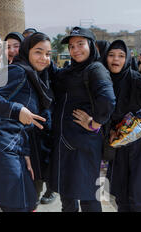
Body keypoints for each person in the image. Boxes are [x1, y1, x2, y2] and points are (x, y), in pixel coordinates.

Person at [0, 32, 53, 212]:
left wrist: (26, 152)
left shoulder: (33, 77)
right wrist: (16, 110)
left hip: (11, 145)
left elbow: (24, 126)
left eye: (48, 53)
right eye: (38, 52)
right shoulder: (17, 71)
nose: (44, 58)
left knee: (21, 201)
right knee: (19, 202)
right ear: (27, 51)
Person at [49, 26, 116, 212]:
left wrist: (94, 123)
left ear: (92, 45)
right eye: (71, 46)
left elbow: (108, 100)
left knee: (88, 198)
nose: (75, 49)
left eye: (80, 44)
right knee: (67, 196)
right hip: (66, 144)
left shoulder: (95, 69)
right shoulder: (71, 71)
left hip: (84, 145)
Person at [96, 40, 141, 212]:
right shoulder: (104, 82)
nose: (115, 60)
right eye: (111, 55)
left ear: (127, 59)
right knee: (121, 192)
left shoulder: (137, 80)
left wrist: (135, 121)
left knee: (138, 192)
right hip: (117, 144)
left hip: (139, 142)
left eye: (121, 56)